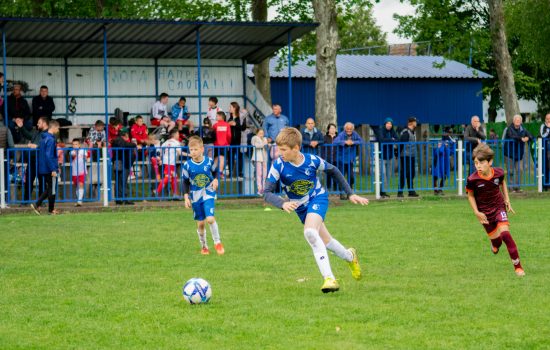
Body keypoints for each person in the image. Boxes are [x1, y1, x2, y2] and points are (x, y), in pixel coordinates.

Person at [263, 127, 368, 293]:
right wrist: (282, 203)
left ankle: (329, 278)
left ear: (296, 148)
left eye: (283, 150)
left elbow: (333, 170)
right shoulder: (278, 165)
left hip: (317, 198)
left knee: (310, 232)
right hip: (301, 207)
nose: (279, 153)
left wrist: (350, 193)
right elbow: (266, 193)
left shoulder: (312, 160)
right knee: (327, 241)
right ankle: (350, 256)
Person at [466, 144, 525, 277]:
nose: (478, 166)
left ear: (490, 162)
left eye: (481, 162)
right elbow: (470, 195)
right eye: (476, 163)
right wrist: (476, 212)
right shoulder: (472, 179)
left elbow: (502, 182)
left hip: (499, 207)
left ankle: (518, 267)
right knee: (497, 241)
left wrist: (507, 200)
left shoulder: (498, 172)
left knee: (505, 235)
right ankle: (495, 244)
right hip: (484, 213)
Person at [182, 136, 225, 255]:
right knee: (201, 224)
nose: (193, 152)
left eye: (195, 149)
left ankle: (217, 242)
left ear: (202, 149)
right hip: (195, 196)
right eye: (191, 150)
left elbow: (216, 171)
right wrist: (186, 197)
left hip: (208, 192)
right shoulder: (187, 165)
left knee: (210, 219)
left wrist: (216, 180)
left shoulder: (209, 161)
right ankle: (204, 246)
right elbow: (185, 182)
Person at [30, 120, 60, 215]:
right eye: (58, 128)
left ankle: (50, 209)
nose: (58, 130)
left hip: (43, 166)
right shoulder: (51, 139)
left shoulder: (43, 138)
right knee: (51, 188)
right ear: (54, 127)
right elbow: (48, 155)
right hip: (49, 167)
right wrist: (53, 169)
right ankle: (38, 205)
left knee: (51, 188)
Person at [503, 114, 533, 193]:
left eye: (519, 120)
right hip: (509, 153)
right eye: (516, 120)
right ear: (513, 121)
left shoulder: (523, 129)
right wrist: (521, 138)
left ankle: (517, 187)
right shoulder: (509, 128)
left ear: (521, 121)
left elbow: (531, 135)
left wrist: (528, 137)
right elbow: (512, 136)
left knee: (520, 170)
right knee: (510, 171)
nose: (518, 121)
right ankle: (511, 188)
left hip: (519, 154)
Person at [333, 122, 363, 200]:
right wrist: (345, 142)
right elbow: (335, 141)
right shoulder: (342, 134)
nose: (349, 130)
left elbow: (361, 141)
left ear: (353, 129)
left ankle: (349, 192)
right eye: (347, 129)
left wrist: (353, 142)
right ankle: (342, 193)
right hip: (341, 159)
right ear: (345, 129)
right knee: (341, 177)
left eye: (350, 129)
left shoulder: (355, 134)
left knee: (351, 177)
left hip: (350, 160)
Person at [111, 128, 138, 205]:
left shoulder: (118, 140)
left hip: (122, 163)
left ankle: (121, 198)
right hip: (122, 163)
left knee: (121, 181)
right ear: (125, 135)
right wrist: (134, 144)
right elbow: (125, 145)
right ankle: (122, 198)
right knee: (122, 181)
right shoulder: (119, 140)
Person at [156, 128, 182, 198]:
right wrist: (190, 154)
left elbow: (160, 150)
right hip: (170, 162)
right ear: (175, 134)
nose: (179, 135)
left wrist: (160, 158)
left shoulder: (166, 142)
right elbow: (180, 153)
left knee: (174, 177)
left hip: (166, 162)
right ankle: (157, 191)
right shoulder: (176, 143)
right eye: (178, 134)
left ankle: (175, 195)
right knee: (168, 177)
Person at [376, 118, 398, 198]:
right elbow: (381, 140)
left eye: (391, 124)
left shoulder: (392, 131)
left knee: (388, 175)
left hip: (390, 156)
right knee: (383, 174)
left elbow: (397, 139)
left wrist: (390, 140)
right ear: (385, 124)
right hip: (381, 156)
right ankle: (380, 191)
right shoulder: (380, 131)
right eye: (388, 123)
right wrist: (391, 139)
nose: (389, 125)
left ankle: (383, 191)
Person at [398, 117, 419, 198]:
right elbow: (401, 144)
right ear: (410, 123)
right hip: (405, 156)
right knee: (404, 173)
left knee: (411, 173)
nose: (416, 123)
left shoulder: (412, 132)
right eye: (415, 122)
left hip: (412, 156)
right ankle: (400, 192)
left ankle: (411, 191)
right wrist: (399, 154)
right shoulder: (406, 132)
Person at [212, 111, 232, 179]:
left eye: (217, 116)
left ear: (221, 116)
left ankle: (212, 170)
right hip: (224, 144)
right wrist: (228, 143)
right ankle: (220, 173)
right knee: (222, 159)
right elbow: (229, 136)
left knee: (216, 158)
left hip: (216, 144)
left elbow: (212, 135)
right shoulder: (227, 125)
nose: (216, 117)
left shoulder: (215, 125)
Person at [70, 138, 89, 206]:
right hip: (75, 172)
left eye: (76, 144)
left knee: (81, 184)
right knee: (77, 186)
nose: (75, 145)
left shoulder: (83, 151)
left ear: (79, 145)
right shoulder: (72, 152)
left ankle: (79, 201)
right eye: (73, 144)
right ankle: (79, 199)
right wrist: (76, 152)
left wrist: (86, 158)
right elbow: (73, 156)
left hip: (82, 171)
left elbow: (86, 158)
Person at [228, 102, 244, 177]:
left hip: (239, 141)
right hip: (230, 141)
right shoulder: (229, 118)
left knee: (239, 157)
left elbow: (244, 127)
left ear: (234, 108)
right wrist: (229, 124)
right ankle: (231, 173)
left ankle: (240, 173)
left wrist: (236, 124)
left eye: (230, 107)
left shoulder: (241, 117)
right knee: (230, 157)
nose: (229, 108)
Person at [251, 128, 268, 195]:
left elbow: (266, 147)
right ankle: (259, 189)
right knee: (259, 173)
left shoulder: (265, 139)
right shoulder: (254, 138)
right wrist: (264, 145)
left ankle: (264, 188)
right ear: (257, 133)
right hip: (257, 157)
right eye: (260, 133)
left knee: (264, 173)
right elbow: (255, 145)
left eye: (262, 133)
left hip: (264, 157)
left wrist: (267, 145)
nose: (261, 135)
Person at [322, 123, 338, 191]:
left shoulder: (338, 137)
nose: (332, 130)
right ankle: (328, 188)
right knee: (328, 173)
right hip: (328, 158)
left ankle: (335, 188)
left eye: (334, 128)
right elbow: (322, 148)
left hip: (336, 158)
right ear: (328, 129)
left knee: (336, 173)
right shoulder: (325, 137)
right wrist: (323, 157)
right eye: (331, 128)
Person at [539, 113, 550, 191]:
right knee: (545, 167)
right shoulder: (543, 126)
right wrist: (548, 129)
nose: (549, 120)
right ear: (545, 119)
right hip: (545, 150)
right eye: (547, 118)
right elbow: (543, 136)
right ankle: (545, 185)